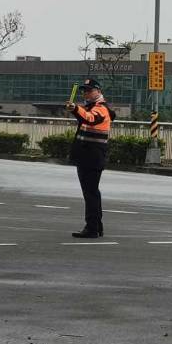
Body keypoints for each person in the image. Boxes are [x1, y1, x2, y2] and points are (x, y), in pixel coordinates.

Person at [66, 78, 112, 239]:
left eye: (89, 90)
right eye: (84, 90)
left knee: (90, 193)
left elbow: (90, 118)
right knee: (92, 192)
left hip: (92, 157)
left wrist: (76, 108)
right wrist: (76, 110)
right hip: (89, 157)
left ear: (98, 91)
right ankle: (96, 226)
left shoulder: (101, 109)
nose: (86, 93)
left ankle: (92, 228)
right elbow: (84, 118)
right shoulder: (93, 107)